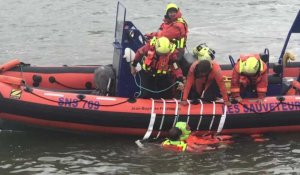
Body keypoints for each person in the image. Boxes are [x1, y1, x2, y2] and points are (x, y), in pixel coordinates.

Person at [162, 122, 231, 152]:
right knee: (224, 144)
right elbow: (197, 149)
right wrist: (217, 148)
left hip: (173, 152)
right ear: (180, 136)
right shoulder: (186, 145)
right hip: (189, 151)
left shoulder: (165, 143)